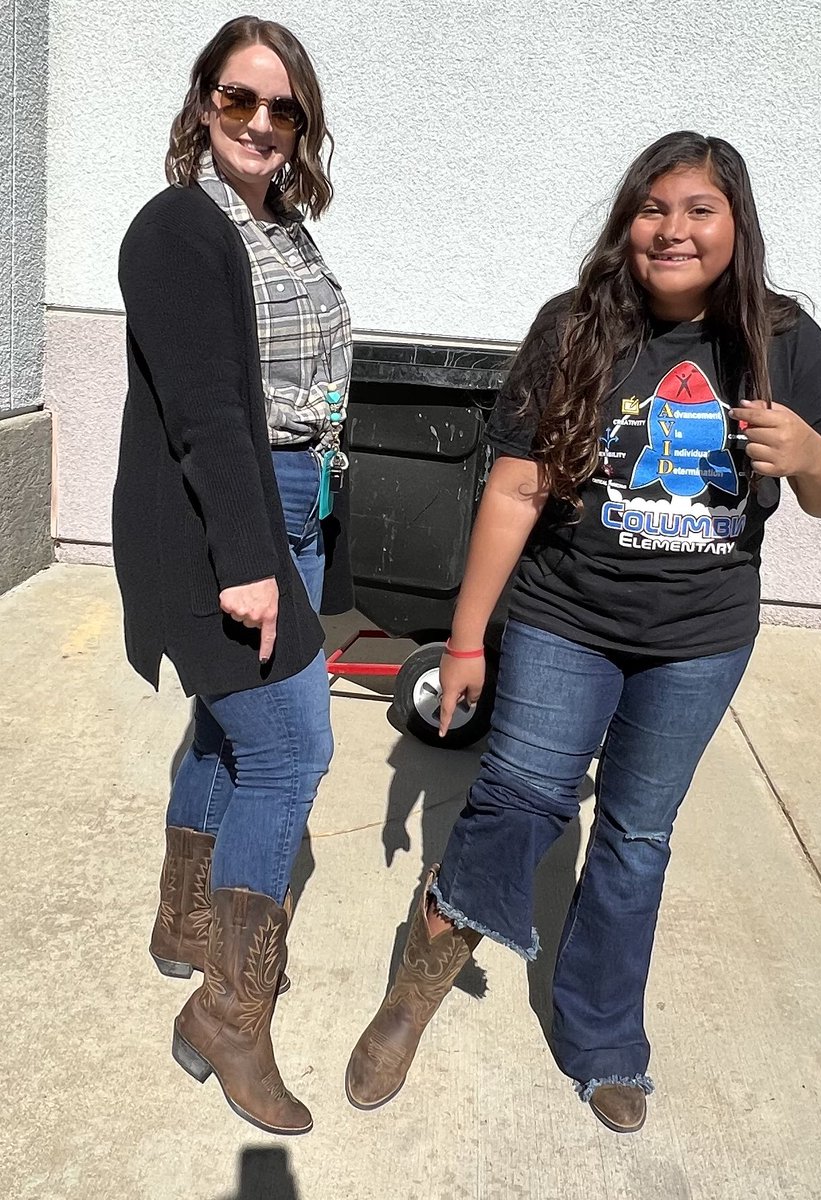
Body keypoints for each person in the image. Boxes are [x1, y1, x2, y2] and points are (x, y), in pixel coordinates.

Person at [345, 130, 821, 1133]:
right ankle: (417, 989)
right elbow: (513, 490)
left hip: (700, 638)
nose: (672, 229)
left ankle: (602, 1038)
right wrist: (464, 642)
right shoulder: (575, 326)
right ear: (629, 221)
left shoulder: (783, 340)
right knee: (517, 799)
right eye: (652, 207)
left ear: (735, 224)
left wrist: (805, 454)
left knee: (635, 835)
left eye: (697, 209)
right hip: (566, 616)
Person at [114, 15, 352, 1136]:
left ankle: (184, 927)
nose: (259, 123)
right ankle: (228, 1012)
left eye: (282, 107)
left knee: (227, 731)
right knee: (294, 745)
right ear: (203, 103)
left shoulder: (283, 229)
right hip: (232, 523)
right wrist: (252, 563)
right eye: (237, 99)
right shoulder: (178, 228)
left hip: (290, 501)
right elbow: (209, 409)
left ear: (303, 124)